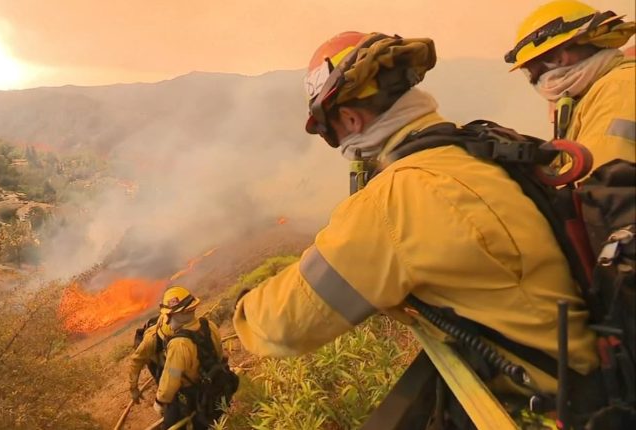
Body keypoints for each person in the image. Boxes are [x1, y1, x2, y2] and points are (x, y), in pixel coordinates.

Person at [232, 31, 601, 405]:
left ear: (350, 118)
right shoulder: (475, 149)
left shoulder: (397, 198)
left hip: (563, 403)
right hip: (593, 370)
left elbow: (285, 323)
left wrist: (243, 310)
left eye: (330, 130)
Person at [505, 0, 635, 169]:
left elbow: (602, 174)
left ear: (560, 58)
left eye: (535, 71)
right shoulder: (590, 95)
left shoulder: (619, 87)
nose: (538, 81)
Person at [153, 286, 224, 430]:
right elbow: (219, 353)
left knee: (172, 425)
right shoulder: (209, 326)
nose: (167, 321)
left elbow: (172, 376)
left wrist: (160, 401)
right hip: (216, 384)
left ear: (179, 314)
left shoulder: (178, 344)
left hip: (193, 394)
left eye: (169, 315)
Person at [128, 313, 172, 404]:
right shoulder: (150, 341)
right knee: (163, 377)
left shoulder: (182, 330)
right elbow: (135, 362)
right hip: (153, 350)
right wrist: (134, 388)